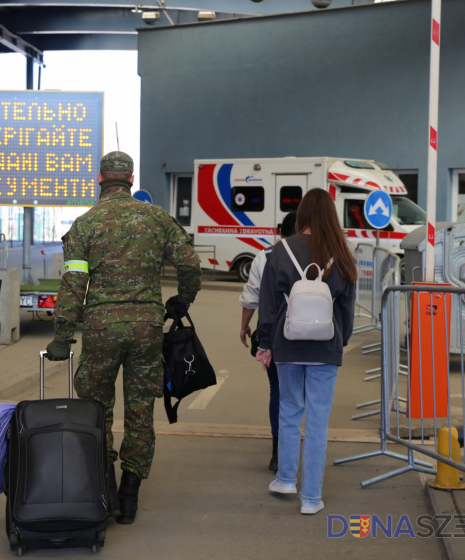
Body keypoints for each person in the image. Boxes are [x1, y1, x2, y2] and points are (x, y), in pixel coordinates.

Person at [45, 151, 201, 525]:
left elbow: (73, 283)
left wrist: (63, 336)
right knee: (140, 409)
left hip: (101, 329)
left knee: (95, 408)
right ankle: (130, 494)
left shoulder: (85, 224)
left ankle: (106, 489)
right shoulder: (158, 218)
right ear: (131, 179)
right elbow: (190, 263)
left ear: (100, 179)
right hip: (147, 327)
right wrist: (182, 298)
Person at [255, 188, 357, 515]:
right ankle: (311, 498)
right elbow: (347, 309)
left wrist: (265, 344)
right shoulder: (342, 252)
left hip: (287, 342)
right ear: (331, 214)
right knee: (317, 420)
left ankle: (286, 479)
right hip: (326, 345)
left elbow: (268, 305)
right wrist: (339, 342)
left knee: (289, 409)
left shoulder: (280, 250)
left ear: (301, 214)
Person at [238, 211, 297, 472]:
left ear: (280, 231)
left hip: (274, 334)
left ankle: (278, 453)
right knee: (305, 393)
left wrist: (244, 327)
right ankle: (296, 449)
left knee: (278, 390)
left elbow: (251, 295)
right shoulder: (317, 254)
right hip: (312, 335)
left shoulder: (266, 255)